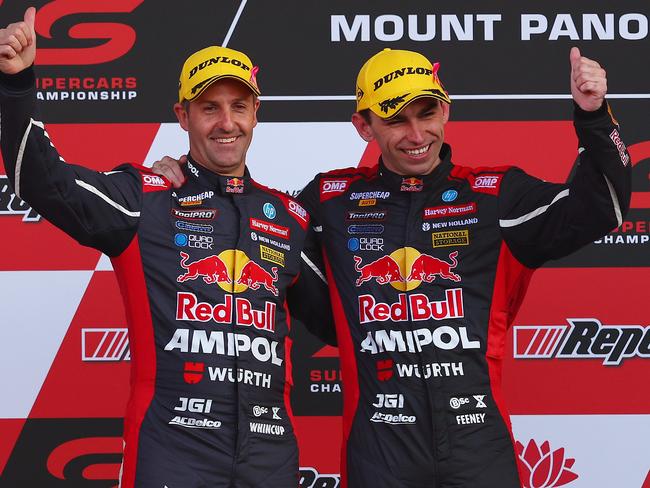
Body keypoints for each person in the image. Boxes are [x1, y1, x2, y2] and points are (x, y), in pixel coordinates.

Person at [153, 48, 631, 487]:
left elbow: (600, 209)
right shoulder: (329, 200)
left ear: (445, 111)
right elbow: (253, 234)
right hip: (380, 452)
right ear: (364, 126)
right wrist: (187, 179)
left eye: (427, 114)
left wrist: (593, 117)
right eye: (396, 120)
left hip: (478, 448)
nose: (417, 135)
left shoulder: (493, 194)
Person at [0, 7, 334, 488]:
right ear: (183, 115)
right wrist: (16, 84)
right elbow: (42, 182)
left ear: (256, 114)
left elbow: (349, 320)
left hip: (270, 458)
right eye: (208, 107)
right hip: (173, 456)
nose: (226, 123)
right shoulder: (146, 199)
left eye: (238, 106)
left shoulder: (288, 218)